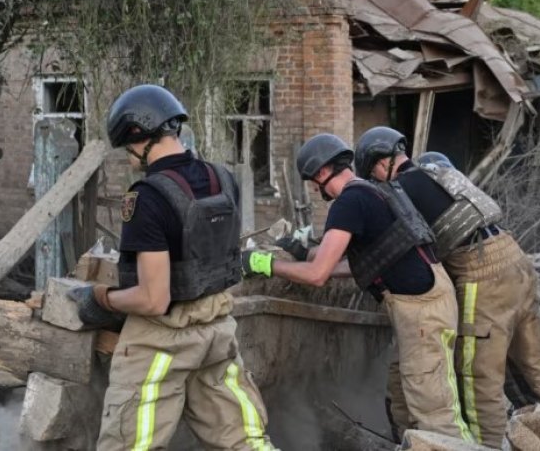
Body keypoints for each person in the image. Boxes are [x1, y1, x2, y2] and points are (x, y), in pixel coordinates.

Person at [68, 84, 275, 451]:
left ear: (137, 136)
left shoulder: (147, 198)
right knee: (245, 440)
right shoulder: (223, 179)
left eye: (127, 147)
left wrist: (101, 298)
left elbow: (153, 298)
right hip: (217, 332)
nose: (129, 156)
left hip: (162, 342)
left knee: (130, 443)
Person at [242, 133, 473, 443]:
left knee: (436, 413)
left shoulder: (349, 202)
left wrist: (265, 265)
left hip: (422, 313)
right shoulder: (373, 193)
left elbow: (317, 274)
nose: (313, 188)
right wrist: (300, 252)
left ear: (322, 172)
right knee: (403, 400)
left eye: (312, 180)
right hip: (425, 304)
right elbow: (360, 264)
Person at [354, 126, 540, 449]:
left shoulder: (401, 189)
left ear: (377, 163)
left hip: (481, 275)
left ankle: (487, 446)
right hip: (516, 259)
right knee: (537, 362)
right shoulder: (437, 173)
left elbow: (389, 244)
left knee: (477, 379)